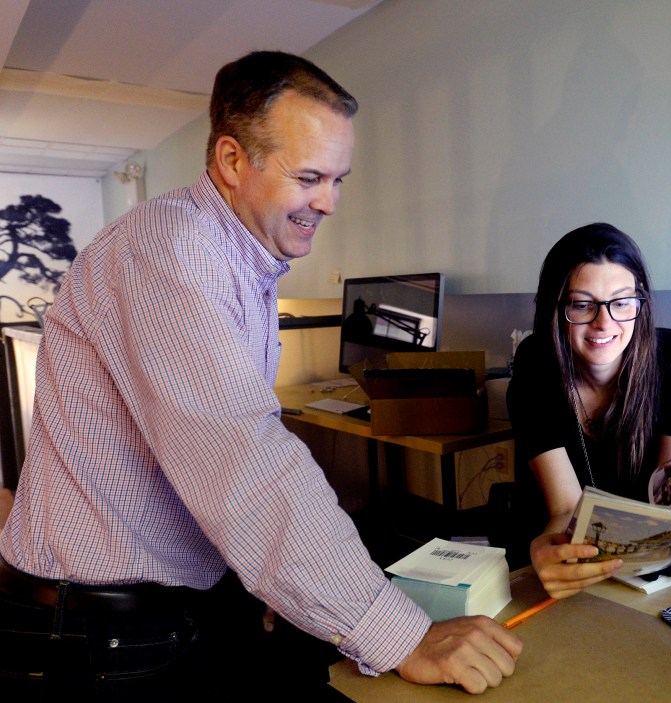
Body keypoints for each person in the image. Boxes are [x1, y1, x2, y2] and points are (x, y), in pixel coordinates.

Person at [0, 51, 520, 699]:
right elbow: (245, 463)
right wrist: (402, 634)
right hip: (100, 631)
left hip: (162, 605)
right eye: (309, 177)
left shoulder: (241, 259)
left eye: (339, 179)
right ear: (231, 161)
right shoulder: (168, 251)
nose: (328, 202)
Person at [507, 223, 671, 599]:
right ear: (557, 307)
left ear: (639, 302)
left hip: (647, 563)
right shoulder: (536, 364)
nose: (605, 323)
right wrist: (550, 550)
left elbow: (670, 496)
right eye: (583, 305)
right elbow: (567, 505)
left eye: (621, 302)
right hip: (565, 557)